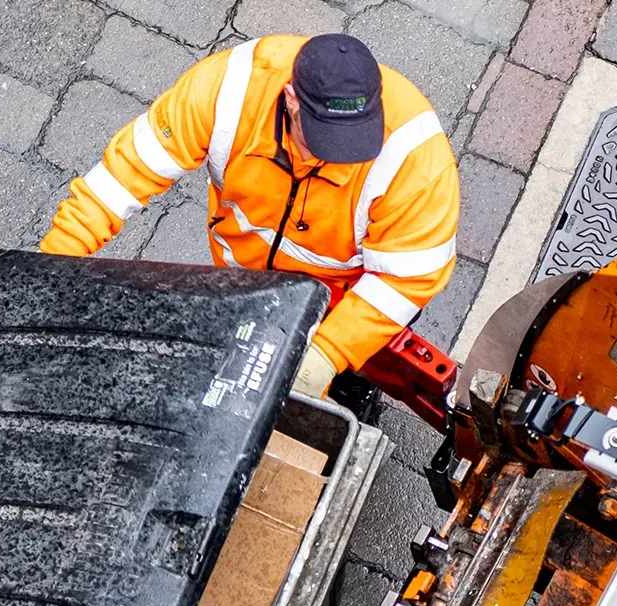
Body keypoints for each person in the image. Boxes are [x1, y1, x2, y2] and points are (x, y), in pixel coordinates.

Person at [41, 32, 460, 402]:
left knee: (349, 368)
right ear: (291, 97)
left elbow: (408, 279)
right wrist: (49, 270)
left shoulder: (414, 158)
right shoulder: (226, 90)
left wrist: (329, 354)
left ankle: (354, 388)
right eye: (323, 141)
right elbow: (119, 181)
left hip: (343, 297)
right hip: (245, 279)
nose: (337, 159)